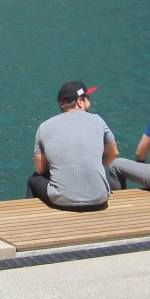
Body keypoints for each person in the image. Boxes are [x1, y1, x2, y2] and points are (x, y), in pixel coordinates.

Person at [27, 81, 120, 211]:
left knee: (33, 179)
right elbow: (114, 153)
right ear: (79, 101)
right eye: (88, 97)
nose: (89, 100)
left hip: (62, 201)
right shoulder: (98, 120)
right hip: (100, 199)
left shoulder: (44, 127)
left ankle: (32, 220)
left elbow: (40, 169)